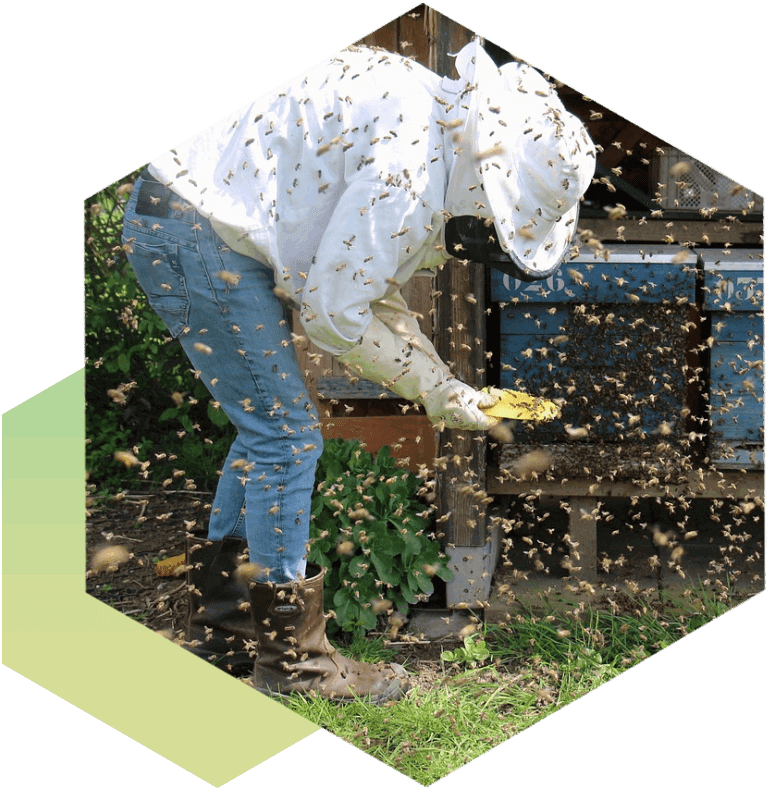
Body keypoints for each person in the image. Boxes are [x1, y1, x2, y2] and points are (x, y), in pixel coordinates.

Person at [120, 38, 595, 703]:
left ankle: (221, 630)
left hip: (190, 220)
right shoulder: (410, 170)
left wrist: (441, 383)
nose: (488, 226)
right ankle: (296, 665)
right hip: (193, 235)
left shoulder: (427, 110)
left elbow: (369, 286)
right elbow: (334, 316)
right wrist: (434, 389)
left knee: (268, 427)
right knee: (286, 435)